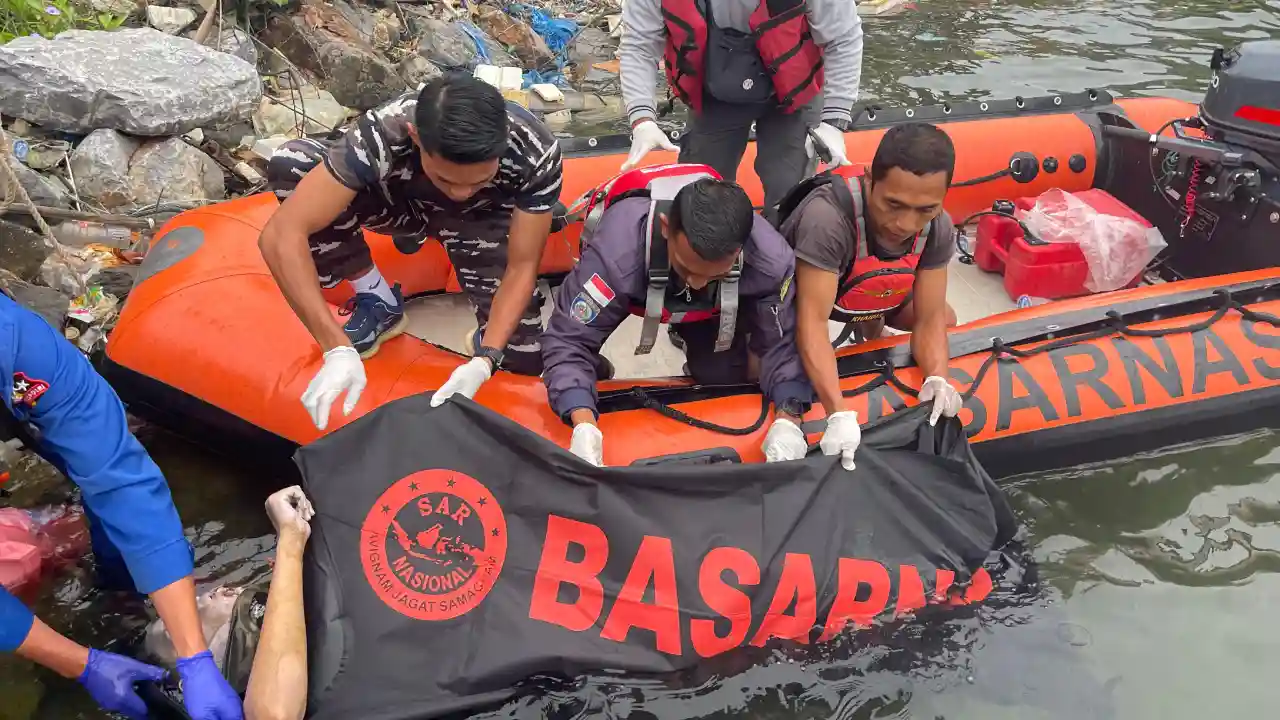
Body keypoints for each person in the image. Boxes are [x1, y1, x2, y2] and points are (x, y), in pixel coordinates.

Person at [259, 73, 564, 432]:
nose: (461, 192)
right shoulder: (382, 131)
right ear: (416, 136)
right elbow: (280, 235)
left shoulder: (536, 151)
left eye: (478, 180)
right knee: (293, 161)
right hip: (404, 206)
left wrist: (487, 358)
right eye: (447, 178)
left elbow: (523, 266)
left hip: (486, 221)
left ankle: (488, 329)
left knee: (522, 359)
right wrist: (335, 347)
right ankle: (377, 300)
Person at [0, 290, 242, 720]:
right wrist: (77, 663)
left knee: (115, 510)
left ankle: (122, 595)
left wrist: (193, 658)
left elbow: (120, 479)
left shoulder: (20, 344)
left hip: (20, 383)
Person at [541, 168, 819, 466]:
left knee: (723, 378)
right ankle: (597, 373)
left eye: (712, 275)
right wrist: (583, 424)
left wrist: (790, 416)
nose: (696, 283)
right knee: (574, 379)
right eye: (688, 270)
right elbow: (568, 341)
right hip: (636, 288)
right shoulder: (615, 257)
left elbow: (784, 344)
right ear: (665, 228)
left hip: (712, 308)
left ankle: (698, 334)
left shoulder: (770, 261)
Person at [777, 122, 964, 468]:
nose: (907, 224)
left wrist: (938, 376)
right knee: (766, 358)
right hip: (807, 296)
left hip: (866, 289)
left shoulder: (939, 226)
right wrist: (837, 411)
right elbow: (813, 323)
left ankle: (873, 334)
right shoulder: (827, 219)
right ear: (868, 181)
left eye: (925, 209)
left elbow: (930, 317)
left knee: (948, 318)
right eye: (893, 204)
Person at [618, 0, 864, 211]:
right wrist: (642, 119)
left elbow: (843, 37)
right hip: (715, 92)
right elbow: (639, 45)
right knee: (700, 200)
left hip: (793, 94)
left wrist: (834, 121)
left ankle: (783, 254)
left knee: (790, 195)